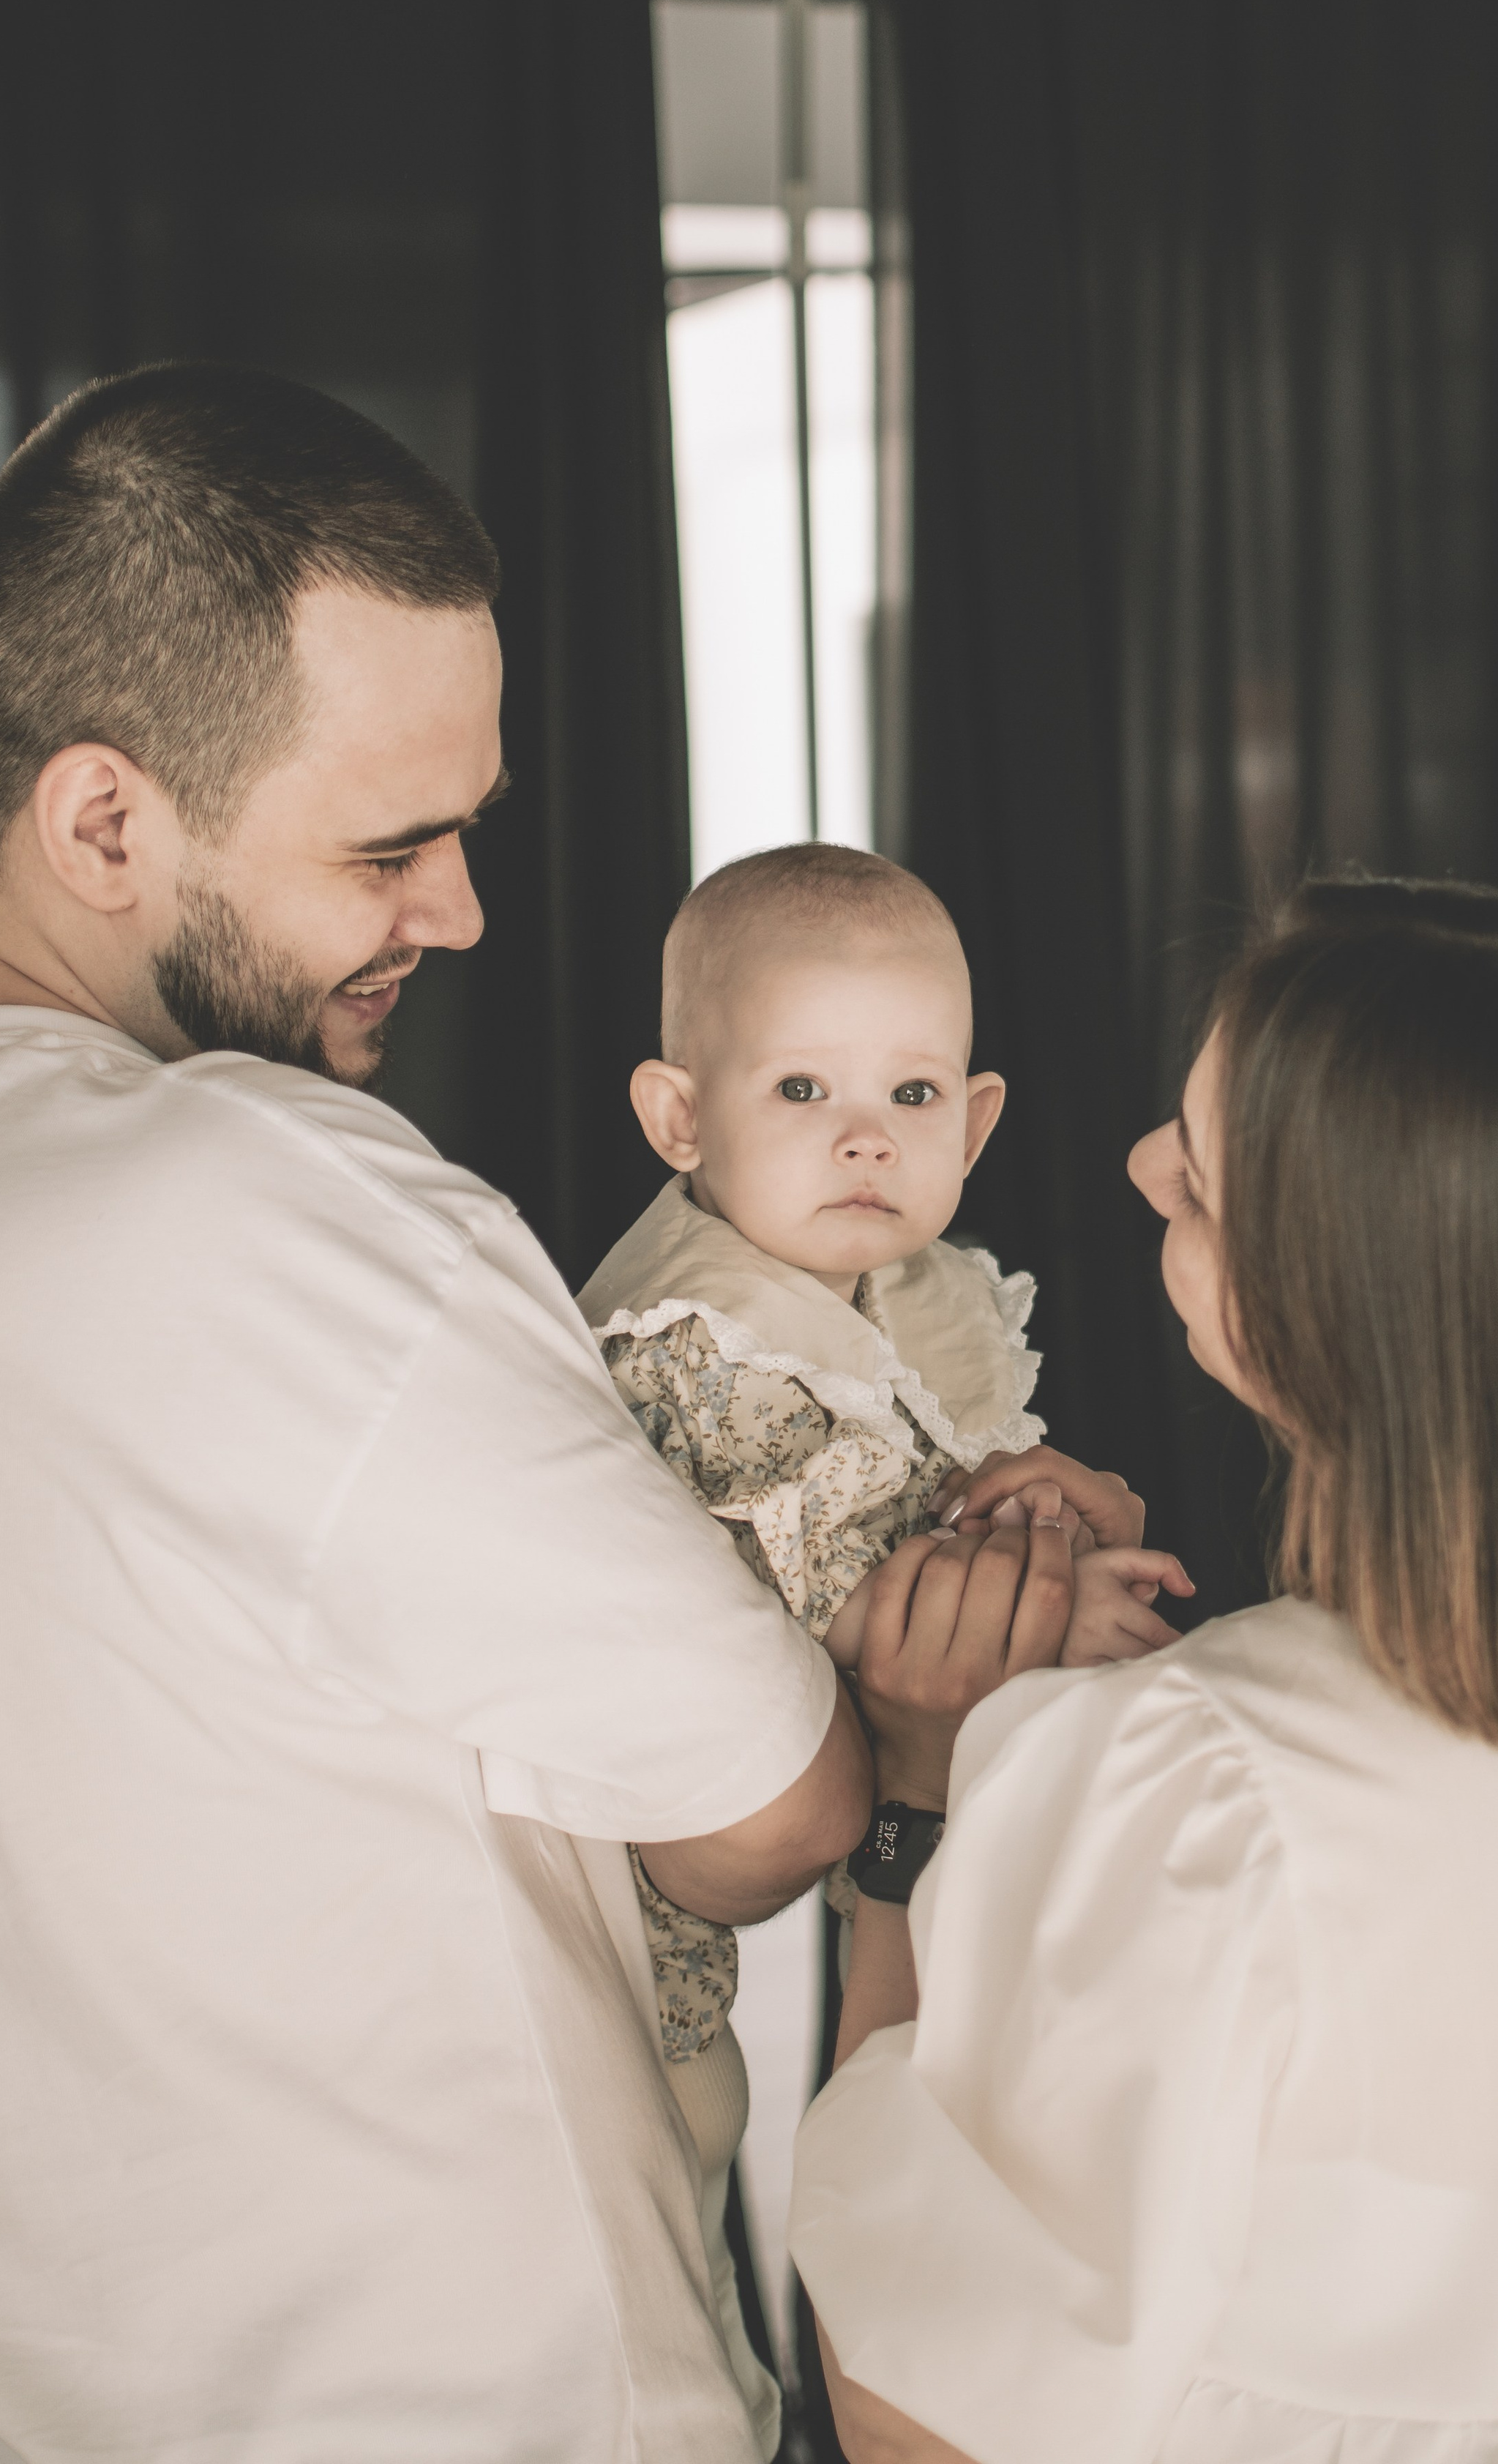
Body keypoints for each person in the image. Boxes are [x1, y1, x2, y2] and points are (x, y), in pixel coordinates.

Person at [0, 359, 918, 2463]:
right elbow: (774, 1806)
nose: (463, 916)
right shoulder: (259, 1196)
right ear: (104, 820)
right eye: (392, 847)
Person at [791, 877, 1498, 2463]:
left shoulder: (1191, 1793)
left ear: (1336, 1334)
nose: (1144, 1162)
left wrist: (920, 1791)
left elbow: (916, 2417)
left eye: (1201, 1186)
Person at [572, 840, 1188, 2426]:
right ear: (677, 1119)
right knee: (662, 2131)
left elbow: (937, 1480)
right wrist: (1055, 1581)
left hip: (857, 1794)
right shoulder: (702, 1338)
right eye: (797, 1092)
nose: (864, 1135)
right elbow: (857, 1590)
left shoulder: (908, 1283)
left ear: (974, 1122)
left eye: (913, 1098)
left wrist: (1023, 1508)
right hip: (645, 1856)